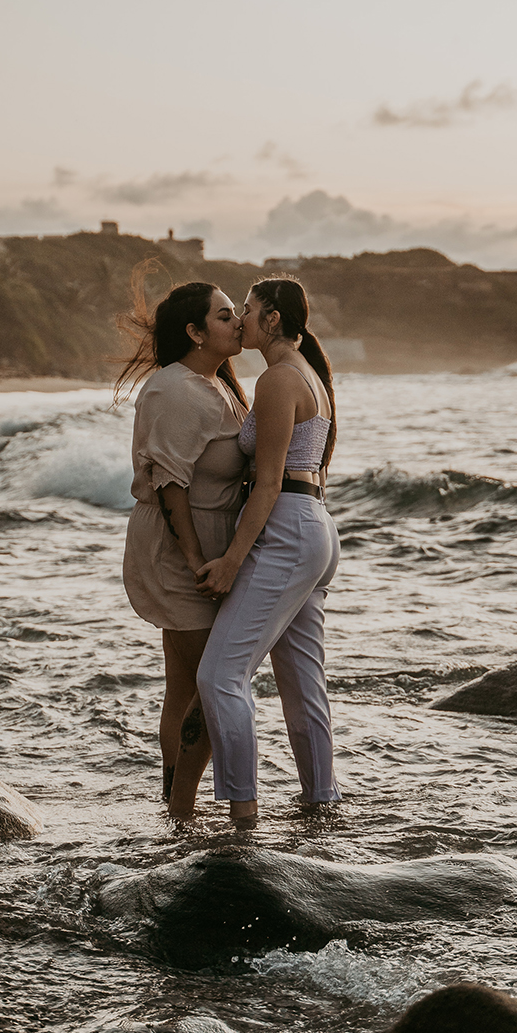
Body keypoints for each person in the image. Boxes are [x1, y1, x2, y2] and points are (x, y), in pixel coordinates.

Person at [194, 277, 341, 826]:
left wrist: (232, 559)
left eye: (249, 311)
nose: (242, 320)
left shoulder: (280, 378)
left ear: (274, 319)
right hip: (314, 527)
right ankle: (321, 806)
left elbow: (270, 482)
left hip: (288, 528)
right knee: (303, 683)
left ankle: (243, 814)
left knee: (220, 676)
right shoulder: (307, 376)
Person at [116, 275, 248, 816]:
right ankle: (181, 809)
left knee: (186, 683)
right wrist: (197, 561)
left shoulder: (214, 383)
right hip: (180, 545)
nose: (237, 321)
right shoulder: (175, 388)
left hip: (206, 538)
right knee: (205, 685)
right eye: (223, 315)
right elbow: (170, 483)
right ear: (194, 332)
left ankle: (175, 805)